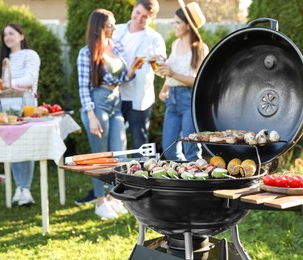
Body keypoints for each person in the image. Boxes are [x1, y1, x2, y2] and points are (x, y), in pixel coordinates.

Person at [77, 9, 143, 219]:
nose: (115, 28)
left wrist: (132, 70)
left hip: (115, 101)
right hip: (97, 103)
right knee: (99, 157)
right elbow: (83, 87)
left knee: (119, 153)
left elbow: (121, 78)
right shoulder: (86, 53)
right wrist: (91, 115)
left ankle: (115, 198)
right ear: (99, 29)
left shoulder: (117, 46)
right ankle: (100, 201)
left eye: (114, 24)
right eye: (110, 26)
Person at [0, 23, 41, 206]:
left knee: (26, 147)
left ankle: (25, 189)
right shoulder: (2, 61)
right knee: (12, 145)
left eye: (11, 33)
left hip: (26, 106)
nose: (8, 37)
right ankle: (19, 188)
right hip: (6, 108)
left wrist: (8, 84)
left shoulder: (30, 55)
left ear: (21, 36)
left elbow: (30, 79)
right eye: (5, 35)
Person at [158, 1, 209, 161]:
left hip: (189, 101)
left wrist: (172, 73)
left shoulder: (201, 48)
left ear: (188, 25)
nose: (174, 26)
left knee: (191, 149)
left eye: (178, 23)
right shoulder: (175, 44)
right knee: (169, 150)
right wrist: (164, 88)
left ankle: (196, 182)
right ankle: (183, 177)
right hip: (172, 101)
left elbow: (198, 81)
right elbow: (171, 71)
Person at [114, 0, 166, 153]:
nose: (139, 18)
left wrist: (157, 63)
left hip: (139, 98)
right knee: (116, 142)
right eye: (137, 13)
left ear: (152, 18)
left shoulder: (155, 39)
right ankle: (116, 175)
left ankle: (142, 174)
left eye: (145, 17)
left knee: (140, 143)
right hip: (116, 94)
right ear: (134, 8)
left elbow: (161, 71)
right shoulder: (117, 30)